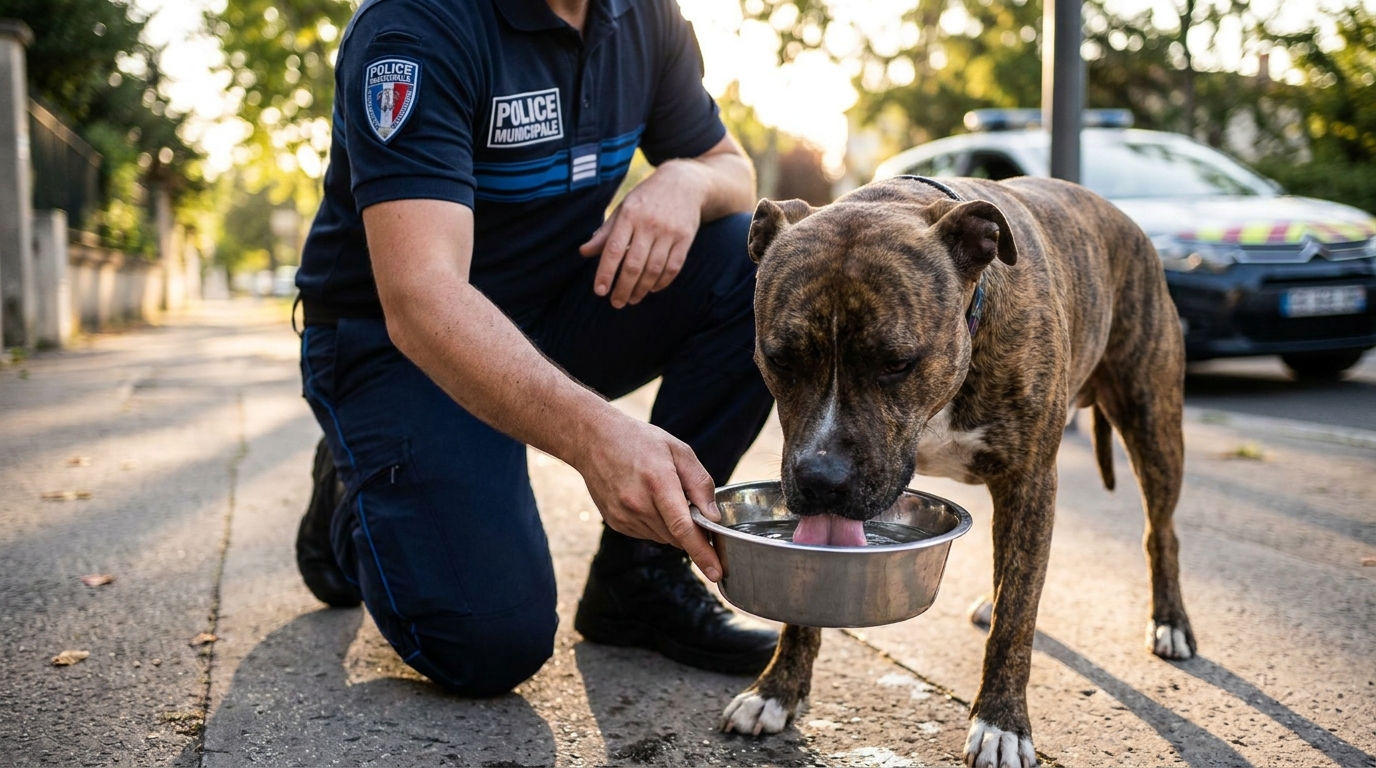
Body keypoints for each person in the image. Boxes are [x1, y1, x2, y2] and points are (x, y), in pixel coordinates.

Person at [293, 0, 779, 696]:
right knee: (489, 643)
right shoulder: (414, 27)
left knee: (760, 267)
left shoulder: (645, 15)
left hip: (551, 308)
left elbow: (731, 169)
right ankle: (354, 490)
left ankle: (638, 580)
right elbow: (422, 300)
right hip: (398, 343)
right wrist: (596, 438)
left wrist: (686, 180)